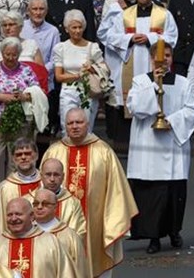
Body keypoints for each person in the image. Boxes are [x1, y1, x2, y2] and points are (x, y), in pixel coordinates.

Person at [41, 108, 139, 277]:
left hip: (95, 226)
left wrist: (112, 223)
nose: (75, 126)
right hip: (60, 224)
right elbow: (40, 193)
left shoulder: (104, 152)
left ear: (87, 124)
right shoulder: (54, 151)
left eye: (79, 122)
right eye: (70, 123)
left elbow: (117, 192)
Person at [127, 42, 194, 254]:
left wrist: (173, 121)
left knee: (173, 195)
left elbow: (193, 110)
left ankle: (174, 231)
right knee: (152, 197)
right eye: (160, 57)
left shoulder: (183, 83)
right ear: (152, 59)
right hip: (149, 148)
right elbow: (135, 108)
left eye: (167, 56)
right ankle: (153, 237)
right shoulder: (141, 81)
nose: (164, 60)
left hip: (172, 145)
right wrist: (154, 85)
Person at [99, 0, 178, 149]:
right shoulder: (125, 14)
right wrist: (129, 38)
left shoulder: (164, 14)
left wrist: (150, 37)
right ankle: (127, 144)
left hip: (152, 64)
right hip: (131, 64)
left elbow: (172, 38)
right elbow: (110, 37)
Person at [0, 38, 40, 185]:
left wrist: (24, 96)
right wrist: (3, 97)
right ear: (2, 53)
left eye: (14, 55)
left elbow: (37, 92)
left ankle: (15, 189)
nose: (10, 58)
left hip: (20, 123)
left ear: (19, 54)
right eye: (7, 54)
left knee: (18, 157)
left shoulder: (26, 70)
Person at [0, 198, 76, 277]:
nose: (13, 218)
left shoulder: (51, 242)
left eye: (18, 214)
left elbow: (66, 274)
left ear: (32, 216)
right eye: (9, 215)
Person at [52, 9, 102, 132]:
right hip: (68, 91)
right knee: (67, 128)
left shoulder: (93, 47)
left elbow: (105, 69)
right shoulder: (61, 48)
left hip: (89, 91)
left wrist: (92, 68)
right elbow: (59, 76)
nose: (77, 31)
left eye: (80, 27)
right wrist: (78, 76)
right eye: (74, 27)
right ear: (66, 29)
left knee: (87, 128)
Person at [0, 138, 42, 237]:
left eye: (27, 153)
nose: (23, 157)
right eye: (19, 154)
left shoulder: (46, 184)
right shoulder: (4, 189)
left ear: (36, 155)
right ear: (13, 159)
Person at [32, 188, 91, 278]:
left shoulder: (71, 237)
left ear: (55, 207)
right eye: (36, 204)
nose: (39, 207)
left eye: (45, 204)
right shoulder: (25, 234)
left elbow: (79, 270)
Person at [25, 158, 86, 238]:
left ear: (63, 176)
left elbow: (77, 236)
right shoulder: (27, 201)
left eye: (56, 175)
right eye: (48, 174)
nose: (52, 179)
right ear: (41, 175)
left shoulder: (73, 203)